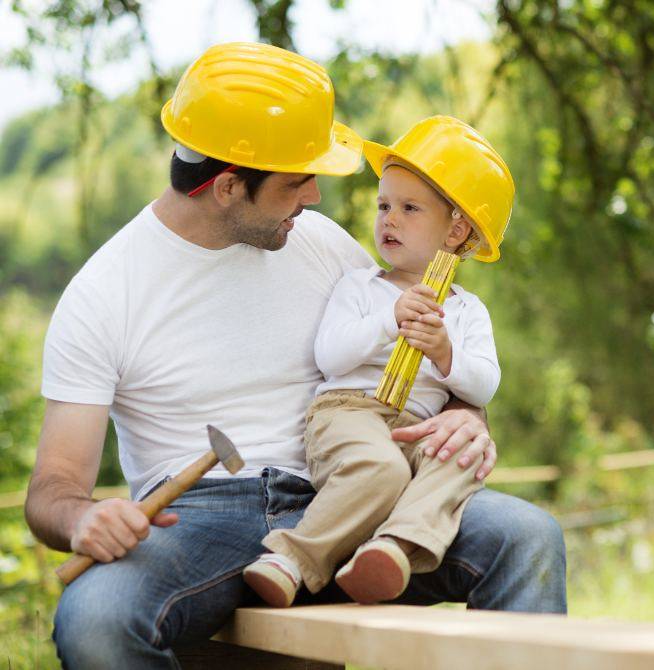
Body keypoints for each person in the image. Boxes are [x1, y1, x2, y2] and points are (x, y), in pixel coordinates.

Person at [23, 42, 566, 669]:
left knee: (527, 537)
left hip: (352, 491)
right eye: (296, 181)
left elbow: (414, 353)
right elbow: (53, 488)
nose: (314, 196)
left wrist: (470, 419)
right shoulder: (103, 293)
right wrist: (81, 519)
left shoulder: (319, 243)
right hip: (202, 524)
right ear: (228, 185)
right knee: (93, 621)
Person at [243, 116, 513, 607]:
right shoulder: (362, 287)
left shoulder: (468, 310)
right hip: (351, 413)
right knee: (382, 469)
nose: (389, 219)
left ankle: (393, 547)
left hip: (420, 426)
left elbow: (483, 386)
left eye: (410, 208)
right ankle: (290, 558)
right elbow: (331, 356)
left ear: (457, 231)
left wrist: (445, 352)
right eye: (384, 205)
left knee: (462, 462)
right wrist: (389, 320)